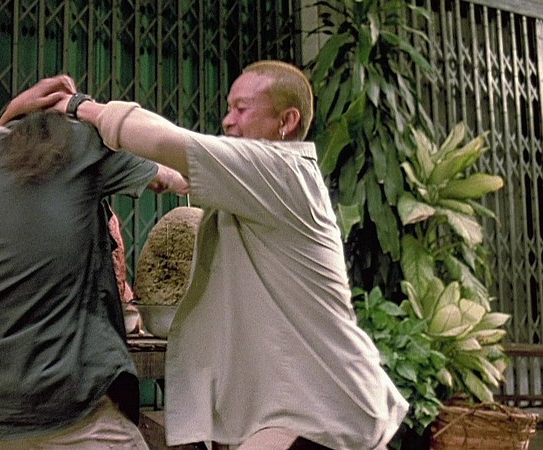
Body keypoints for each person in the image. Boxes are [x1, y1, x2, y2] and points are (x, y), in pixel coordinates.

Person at [32, 61, 408, 449]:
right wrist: (167, 176)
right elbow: (183, 172)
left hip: (326, 407)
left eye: (242, 109)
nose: (228, 120)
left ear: (287, 121)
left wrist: (80, 107)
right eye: (228, 108)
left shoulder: (282, 170)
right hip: (308, 406)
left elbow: (165, 141)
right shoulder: (265, 181)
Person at [0, 76, 189, 449]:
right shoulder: (83, 146)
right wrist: (87, 110)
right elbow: (175, 174)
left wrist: (17, 107)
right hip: (67, 401)